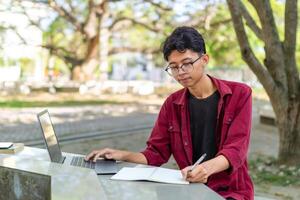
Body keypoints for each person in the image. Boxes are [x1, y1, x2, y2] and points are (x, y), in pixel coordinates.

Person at [85, 26, 254, 200]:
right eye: (174, 67)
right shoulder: (172, 104)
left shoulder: (239, 94)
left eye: (187, 63)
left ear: (204, 59)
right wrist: (122, 155)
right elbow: (156, 153)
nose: (180, 72)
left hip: (231, 192)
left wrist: (205, 169)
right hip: (190, 189)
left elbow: (236, 150)